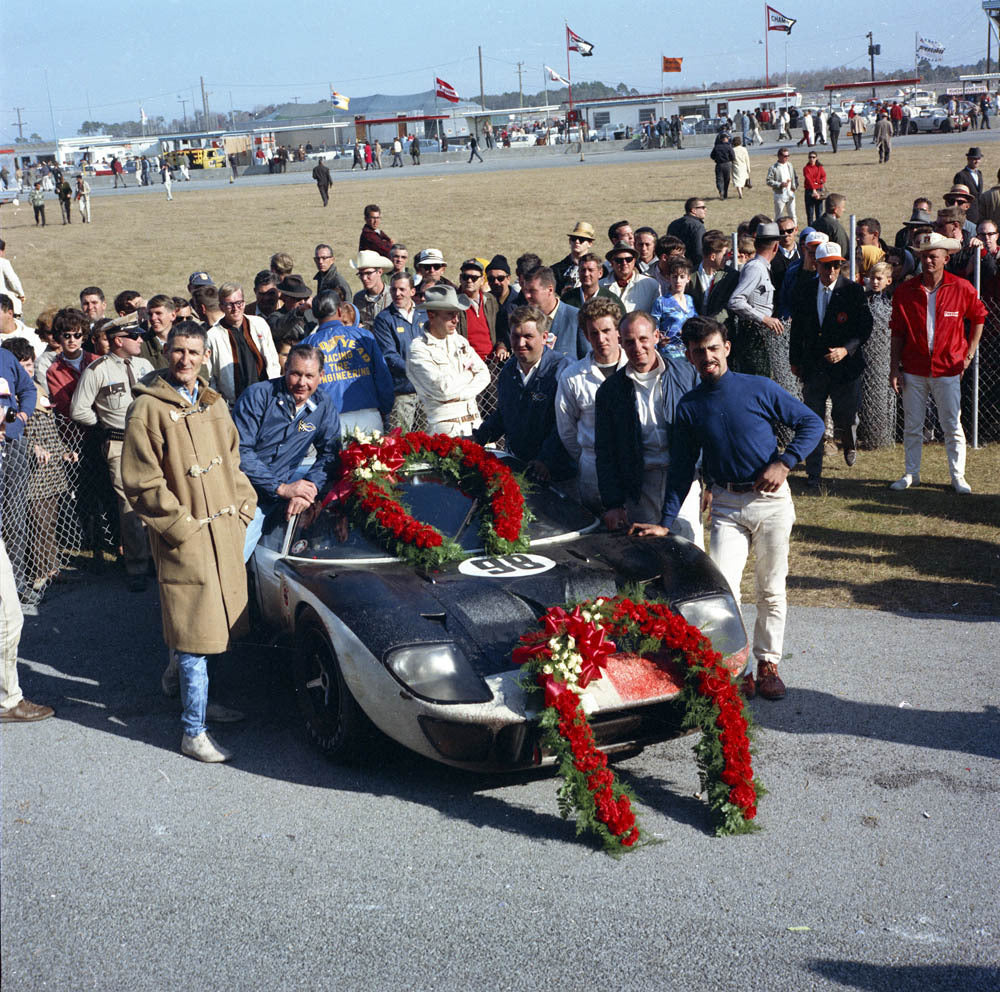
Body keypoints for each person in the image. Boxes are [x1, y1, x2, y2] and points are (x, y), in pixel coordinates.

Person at [631, 316, 824, 700]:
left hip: (770, 501)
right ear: (688, 355)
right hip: (726, 506)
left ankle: (769, 664)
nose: (708, 357)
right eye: (699, 352)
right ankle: (740, 671)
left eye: (714, 348)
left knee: (771, 588)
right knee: (723, 590)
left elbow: (811, 423)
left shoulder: (758, 387)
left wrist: (784, 463)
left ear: (727, 348)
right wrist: (665, 523)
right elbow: (682, 468)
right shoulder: (689, 406)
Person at [122, 322, 257, 762]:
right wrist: (181, 526)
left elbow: (233, 460)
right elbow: (141, 482)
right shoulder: (148, 409)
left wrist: (243, 508)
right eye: (178, 351)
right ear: (165, 352)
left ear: (205, 356)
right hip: (188, 539)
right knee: (193, 634)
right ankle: (192, 730)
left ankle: (203, 702)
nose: (186, 360)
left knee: (216, 628)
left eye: (194, 352)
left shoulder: (213, 403)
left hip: (224, 533)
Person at [594, 310, 703, 546]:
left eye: (643, 339)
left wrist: (710, 480)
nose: (637, 347)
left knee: (689, 548)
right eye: (630, 341)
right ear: (621, 343)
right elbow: (605, 451)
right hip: (639, 484)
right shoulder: (610, 391)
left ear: (656, 336)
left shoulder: (686, 375)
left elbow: (705, 431)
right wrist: (613, 503)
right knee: (649, 551)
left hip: (683, 478)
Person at [888, 233, 985, 494]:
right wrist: (894, 366)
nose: (927, 260)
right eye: (923, 255)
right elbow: (897, 332)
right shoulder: (905, 291)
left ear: (946, 258)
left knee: (952, 424)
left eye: (933, 256)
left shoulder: (961, 287)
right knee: (912, 423)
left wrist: (969, 354)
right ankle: (911, 473)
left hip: (948, 368)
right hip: (914, 368)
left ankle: (958, 476)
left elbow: (979, 317)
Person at [69, 315, 154, 589]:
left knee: (155, 497)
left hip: (151, 442)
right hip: (118, 443)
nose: (140, 339)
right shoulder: (98, 370)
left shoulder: (145, 366)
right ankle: (137, 566)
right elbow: (78, 409)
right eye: (135, 336)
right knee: (128, 503)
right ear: (119, 340)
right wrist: (104, 425)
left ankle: (157, 559)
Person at [233, 344, 341, 555]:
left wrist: (309, 487)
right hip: (244, 492)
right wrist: (281, 488)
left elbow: (331, 453)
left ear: (321, 375)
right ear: (285, 370)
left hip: (284, 479)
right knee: (232, 560)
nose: (302, 383)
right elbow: (240, 450)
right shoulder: (258, 396)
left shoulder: (323, 405)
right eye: (295, 374)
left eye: (309, 376)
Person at [789, 242, 873, 486]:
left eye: (837, 265)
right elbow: (797, 330)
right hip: (815, 366)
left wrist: (846, 350)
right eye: (827, 266)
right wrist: (795, 361)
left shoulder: (853, 291)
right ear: (817, 265)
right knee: (813, 419)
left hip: (846, 368)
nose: (832, 271)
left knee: (845, 415)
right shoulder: (804, 290)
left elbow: (865, 327)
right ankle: (814, 473)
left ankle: (848, 440)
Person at [473, 306, 572, 483]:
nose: (520, 343)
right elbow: (504, 414)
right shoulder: (508, 371)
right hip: (520, 468)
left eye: (528, 336)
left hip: (557, 473)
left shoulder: (562, 370)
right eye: (515, 336)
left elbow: (565, 425)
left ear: (544, 337)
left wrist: (545, 460)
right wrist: (477, 439)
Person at [555, 299, 628, 511]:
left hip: (633, 465)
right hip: (593, 469)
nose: (601, 339)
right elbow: (566, 429)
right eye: (593, 333)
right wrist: (586, 456)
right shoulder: (572, 377)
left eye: (606, 331)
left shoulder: (636, 369)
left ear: (618, 332)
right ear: (586, 336)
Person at [301, 292, 394, 436]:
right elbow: (382, 376)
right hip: (368, 414)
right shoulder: (364, 336)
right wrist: (385, 408)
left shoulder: (306, 345)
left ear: (314, 313)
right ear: (339, 310)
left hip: (328, 419)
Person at [405, 285, 491, 436]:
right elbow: (443, 390)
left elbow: (484, 374)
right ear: (431, 315)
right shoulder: (418, 349)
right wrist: (469, 374)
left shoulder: (460, 341)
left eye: (457, 314)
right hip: (446, 430)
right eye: (450, 314)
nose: (456, 320)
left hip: (476, 424)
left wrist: (460, 395)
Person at [206, 283, 281, 406]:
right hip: (234, 404)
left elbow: (273, 361)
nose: (235, 308)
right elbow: (211, 377)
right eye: (229, 304)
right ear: (221, 307)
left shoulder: (259, 324)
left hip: (265, 398)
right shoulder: (212, 337)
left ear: (244, 303)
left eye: (238, 303)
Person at [727, 223, 784, 376]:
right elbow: (735, 301)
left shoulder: (761, 267)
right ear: (776, 247)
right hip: (753, 334)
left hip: (759, 335)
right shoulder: (756, 268)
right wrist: (765, 319)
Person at [372, 272, 427, 431]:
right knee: (400, 442)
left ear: (412, 291)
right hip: (402, 392)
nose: (397, 294)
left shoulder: (424, 315)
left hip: (426, 390)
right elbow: (389, 355)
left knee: (428, 443)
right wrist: (415, 369)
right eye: (394, 290)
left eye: (402, 289)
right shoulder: (384, 319)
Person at [521, 267, 588, 358]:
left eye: (532, 291)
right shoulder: (524, 319)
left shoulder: (576, 318)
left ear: (550, 290)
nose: (527, 296)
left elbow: (587, 359)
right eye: (525, 290)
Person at [456, 259, 508, 361]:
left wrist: (501, 346)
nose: (469, 281)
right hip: (466, 363)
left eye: (474, 278)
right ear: (460, 279)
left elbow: (502, 329)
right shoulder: (453, 303)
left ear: (482, 280)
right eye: (466, 277)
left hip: (492, 363)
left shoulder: (491, 300)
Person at [651, 256, 696, 359]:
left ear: (688, 278)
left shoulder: (690, 300)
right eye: (674, 276)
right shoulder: (661, 302)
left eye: (682, 276)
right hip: (669, 354)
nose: (678, 281)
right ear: (669, 278)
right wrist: (658, 343)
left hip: (690, 354)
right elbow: (653, 329)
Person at [600, 242, 659, 313]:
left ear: (634, 261)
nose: (624, 263)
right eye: (619, 260)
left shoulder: (651, 284)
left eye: (628, 259)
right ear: (612, 263)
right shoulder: (600, 285)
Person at [349, 250, 393, 330]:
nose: (364, 278)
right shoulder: (358, 298)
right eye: (361, 274)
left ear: (379, 272)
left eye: (368, 273)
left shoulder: (393, 295)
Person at [552, 221, 597, 294]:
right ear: (569, 241)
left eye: (581, 239)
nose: (577, 242)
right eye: (574, 238)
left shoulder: (600, 270)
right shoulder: (555, 270)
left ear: (590, 243)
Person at [667, 198, 707, 267]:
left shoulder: (673, 224)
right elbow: (699, 251)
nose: (705, 210)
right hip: (692, 267)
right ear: (693, 210)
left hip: (673, 266)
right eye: (702, 207)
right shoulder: (697, 226)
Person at [766, 147, 798, 224]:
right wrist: (780, 184)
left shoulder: (790, 165)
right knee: (779, 215)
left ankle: (794, 229)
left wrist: (794, 187)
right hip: (779, 194)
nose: (787, 158)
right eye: (785, 156)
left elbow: (795, 177)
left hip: (790, 194)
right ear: (779, 156)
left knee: (792, 214)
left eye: (788, 156)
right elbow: (768, 181)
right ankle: (778, 232)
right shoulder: (773, 168)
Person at [802, 151, 826, 226]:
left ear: (816, 158)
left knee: (819, 212)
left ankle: (819, 228)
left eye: (813, 157)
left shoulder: (820, 167)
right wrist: (814, 190)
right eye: (810, 157)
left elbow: (824, 176)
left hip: (819, 190)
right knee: (810, 213)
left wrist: (819, 181)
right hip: (810, 191)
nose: (811, 159)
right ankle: (811, 229)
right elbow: (809, 180)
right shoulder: (806, 168)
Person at [710, 134, 735, 200]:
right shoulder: (729, 147)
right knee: (726, 180)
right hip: (727, 164)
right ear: (725, 139)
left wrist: (716, 159)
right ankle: (725, 194)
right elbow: (733, 156)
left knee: (719, 179)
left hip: (719, 164)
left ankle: (721, 190)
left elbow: (712, 156)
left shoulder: (717, 147)